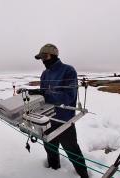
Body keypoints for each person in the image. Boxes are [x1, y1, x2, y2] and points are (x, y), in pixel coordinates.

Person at [34, 44, 89, 178]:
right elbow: (44, 97)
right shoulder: (44, 74)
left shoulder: (68, 71)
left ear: (54, 55)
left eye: (45, 57)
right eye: (41, 58)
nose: (43, 61)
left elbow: (69, 97)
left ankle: (84, 175)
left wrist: (45, 94)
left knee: (73, 152)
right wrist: (36, 96)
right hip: (47, 119)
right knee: (50, 150)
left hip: (64, 120)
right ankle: (54, 173)